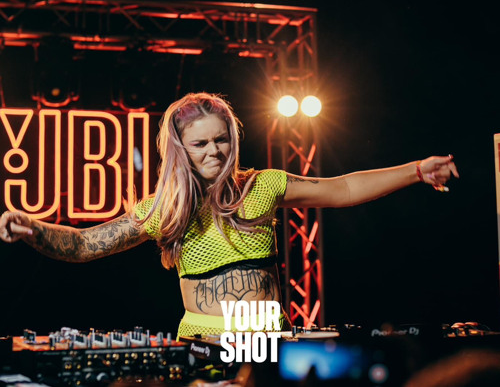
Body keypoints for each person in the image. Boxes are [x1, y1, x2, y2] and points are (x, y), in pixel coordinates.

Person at [0, 92, 459, 338]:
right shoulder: (166, 208)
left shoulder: (263, 185)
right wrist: (32, 228)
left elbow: (343, 188)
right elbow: (84, 244)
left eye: (221, 139)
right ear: (181, 150)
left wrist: (417, 170)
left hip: (269, 341)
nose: (214, 151)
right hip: (203, 343)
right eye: (200, 143)